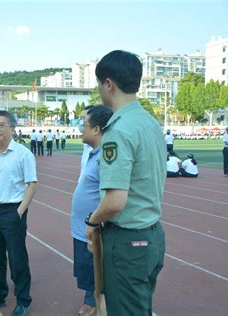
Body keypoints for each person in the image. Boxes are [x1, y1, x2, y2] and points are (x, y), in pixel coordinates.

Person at [85, 50, 166, 316]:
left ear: (109, 84)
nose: (99, 90)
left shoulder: (118, 130)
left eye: (99, 84)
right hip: (152, 236)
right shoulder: (150, 123)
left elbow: (115, 201)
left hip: (128, 242)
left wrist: (92, 221)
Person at [0, 111, 37, 316]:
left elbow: (31, 184)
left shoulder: (23, 154)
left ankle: (23, 300)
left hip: (13, 212)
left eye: (3, 125)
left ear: (13, 128)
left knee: (17, 258)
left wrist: (19, 212)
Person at [71, 105, 113, 316]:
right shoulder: (93, 153)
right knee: (89, 272)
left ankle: (97, 305)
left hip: (94, 228)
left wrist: (94, 222)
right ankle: (95, 302)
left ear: (96, 129)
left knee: (99, 275)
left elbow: (111, 197)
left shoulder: (106, 156)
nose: (80, 129)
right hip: (83, 226)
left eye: (84, 125)